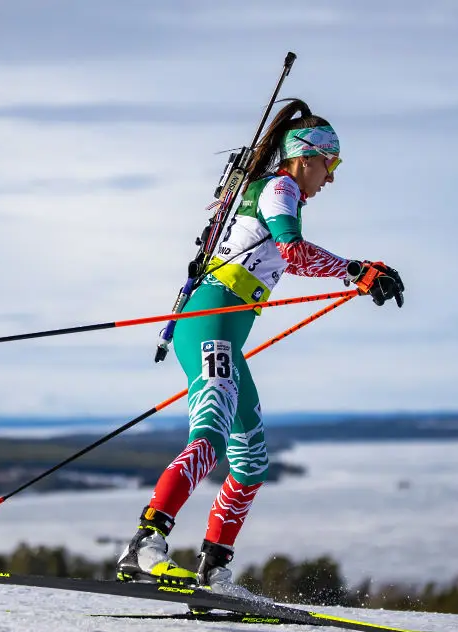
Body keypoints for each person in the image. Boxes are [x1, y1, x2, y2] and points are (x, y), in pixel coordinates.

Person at [117, 99, 405, 597]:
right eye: (330, 166)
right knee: (210, 436)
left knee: (250, 458)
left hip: (227, 325)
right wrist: (356, 270)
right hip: (210, 319)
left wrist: (356, 271)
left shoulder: (275, 189)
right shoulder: (280, 187)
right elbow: (293, 251)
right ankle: (145, 544)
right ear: (306, 158)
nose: (330, 179)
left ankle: (214, 570)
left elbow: (284, 256)